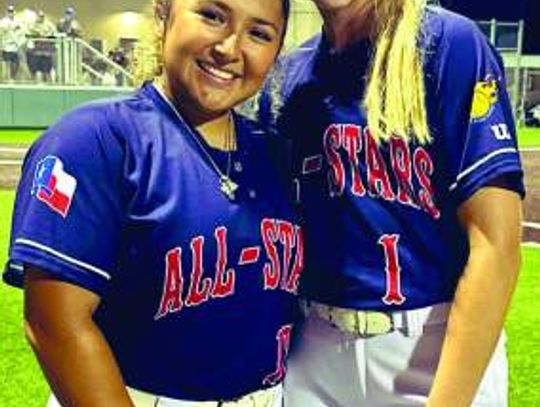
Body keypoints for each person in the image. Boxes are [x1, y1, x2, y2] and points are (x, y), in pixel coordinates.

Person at [3, 0, 301, 406]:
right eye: (212, 16)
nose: (229, 48)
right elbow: (54, 324)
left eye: (259, 34)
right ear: (164, 12)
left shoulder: (275, 153)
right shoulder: (93, 139)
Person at [256, 0, 524, 405]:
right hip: (314, 350)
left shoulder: (448, 44)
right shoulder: (289, 75)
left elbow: (496, 245)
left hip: (430, 347)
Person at [26, 10, 57, 82]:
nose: (41, 18)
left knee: (47, 70)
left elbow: (54, 35)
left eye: (42, 16)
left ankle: (49, 85)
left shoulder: (49, 25)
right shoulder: (32, 25)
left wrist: (46, 35)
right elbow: (28, 34)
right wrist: (37, 34)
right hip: (37, 52)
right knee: (37, 70)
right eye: (39, 16)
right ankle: (37, 84)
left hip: (47, 53)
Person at [0, 4, 26, 81]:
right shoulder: (3, 22)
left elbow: (22, 31)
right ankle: (6, 78)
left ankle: (12, 78)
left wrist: (20, 42)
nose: (11, 13)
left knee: (16, 63)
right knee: (6, 63)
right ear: (7, 12)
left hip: (16, 46)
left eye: (12, 11)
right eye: (9, 11)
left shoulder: (18, 21)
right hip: (6, 46)